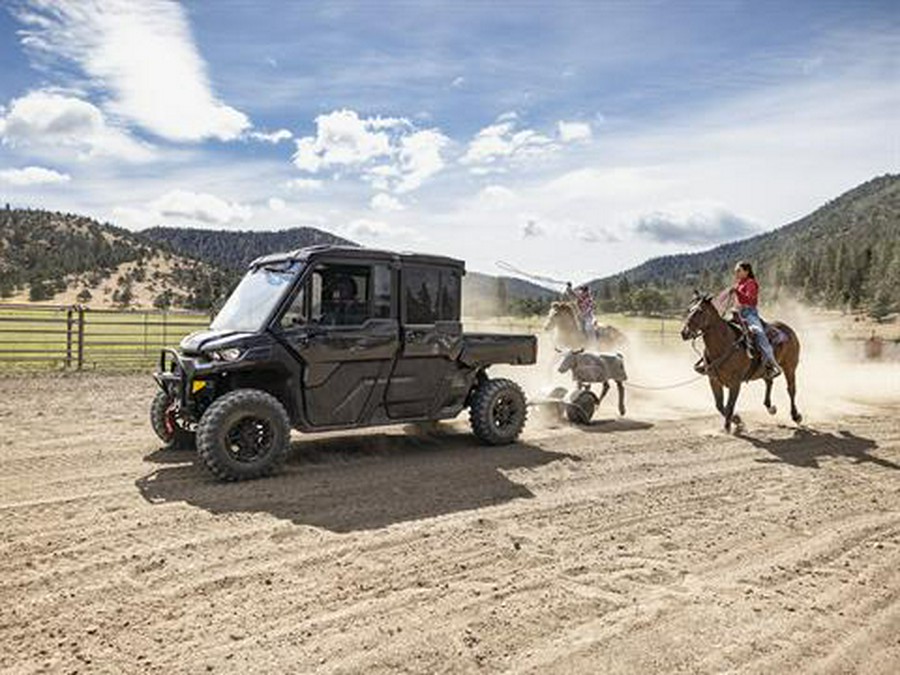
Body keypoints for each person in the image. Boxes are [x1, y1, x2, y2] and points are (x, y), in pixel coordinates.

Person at [730, 261, 781, 378]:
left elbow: (750, 300)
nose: (736, 273)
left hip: (749, 314)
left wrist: (737, 292)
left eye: (739, 270)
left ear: (746, 272)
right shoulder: (738, 284)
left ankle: (771, 364)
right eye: (735, 271)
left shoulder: (751, 283)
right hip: (737, 314)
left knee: (759, 333)